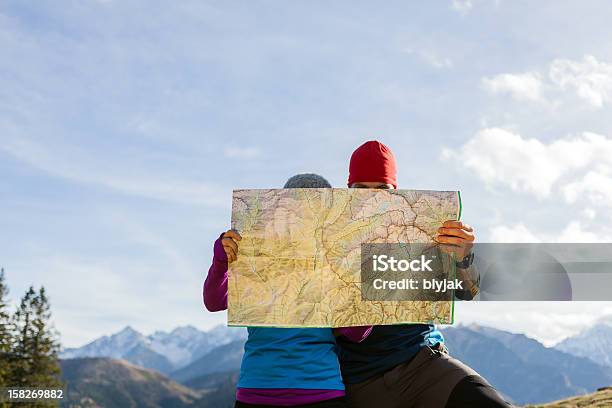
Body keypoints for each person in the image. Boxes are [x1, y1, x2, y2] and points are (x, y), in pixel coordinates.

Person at [336, 141, 513, 408]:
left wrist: (463, 257)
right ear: (348, 190)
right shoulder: (329, 237)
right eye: (361, 188)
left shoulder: (422, 231)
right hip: (360, 381)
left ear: (394, 191)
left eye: (382, 189)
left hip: (423, 365)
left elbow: (469, 291)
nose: (371, 197)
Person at [203, 173, 371, 408]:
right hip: (257, 391)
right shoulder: (256, 256)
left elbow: (357, 333)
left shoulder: (335, 263)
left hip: (321, 392)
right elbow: (214, 301)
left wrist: (353, 282)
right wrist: (222, 261)